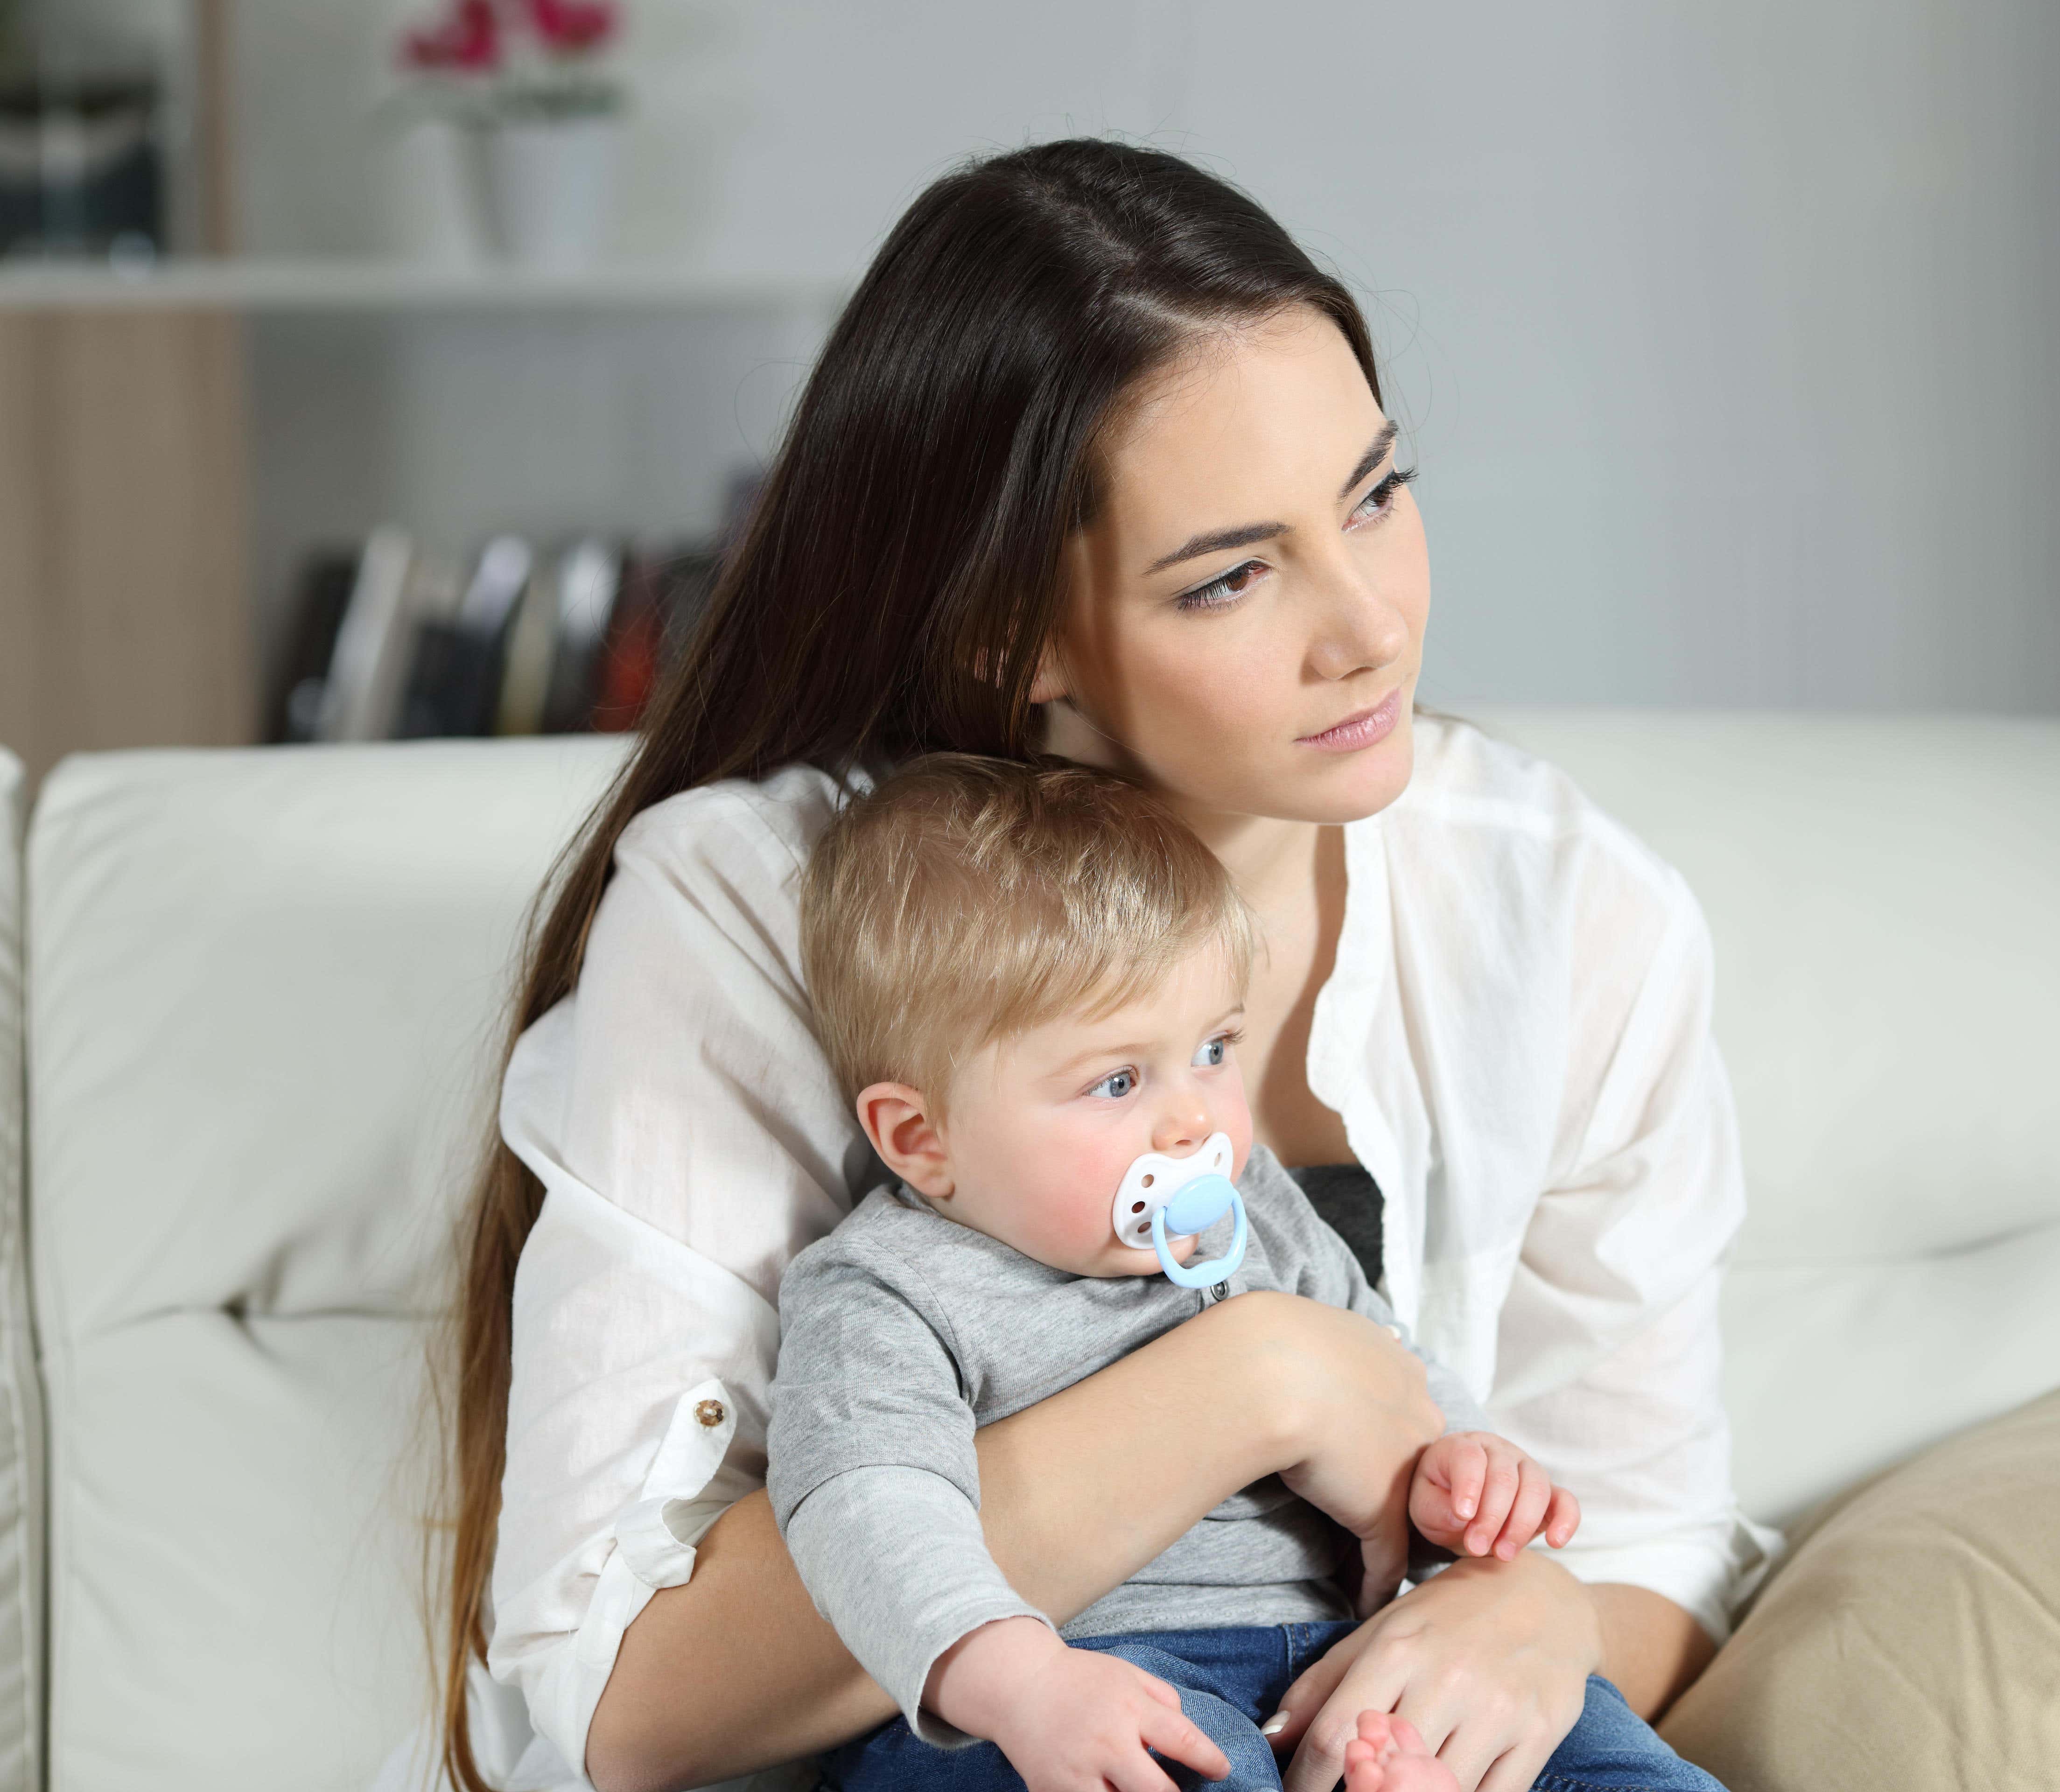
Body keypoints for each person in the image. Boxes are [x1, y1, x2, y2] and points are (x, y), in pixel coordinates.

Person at [442, 137, 1773, 1792]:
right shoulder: (763, 911)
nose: (1367, 625)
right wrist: (1265, 1379)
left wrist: (1531, 1619)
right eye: (1232, 574)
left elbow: (1652, 1538)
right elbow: (622, 1706)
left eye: (1374, 494)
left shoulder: (1568, 912)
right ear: (1016, 637)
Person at [777, 755, 1721, 1792]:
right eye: (1120, 1079)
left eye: (1216, 1049)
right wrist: (1015, 1680)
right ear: (921, 1137)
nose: (1195, 1120)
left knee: (1606, 1755)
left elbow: (1389, 1371)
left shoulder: (1256, 1209)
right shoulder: (887, 1288)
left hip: (1340, 1659)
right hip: (1080, 1671)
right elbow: (866, 1508)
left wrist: (1462, 1473)